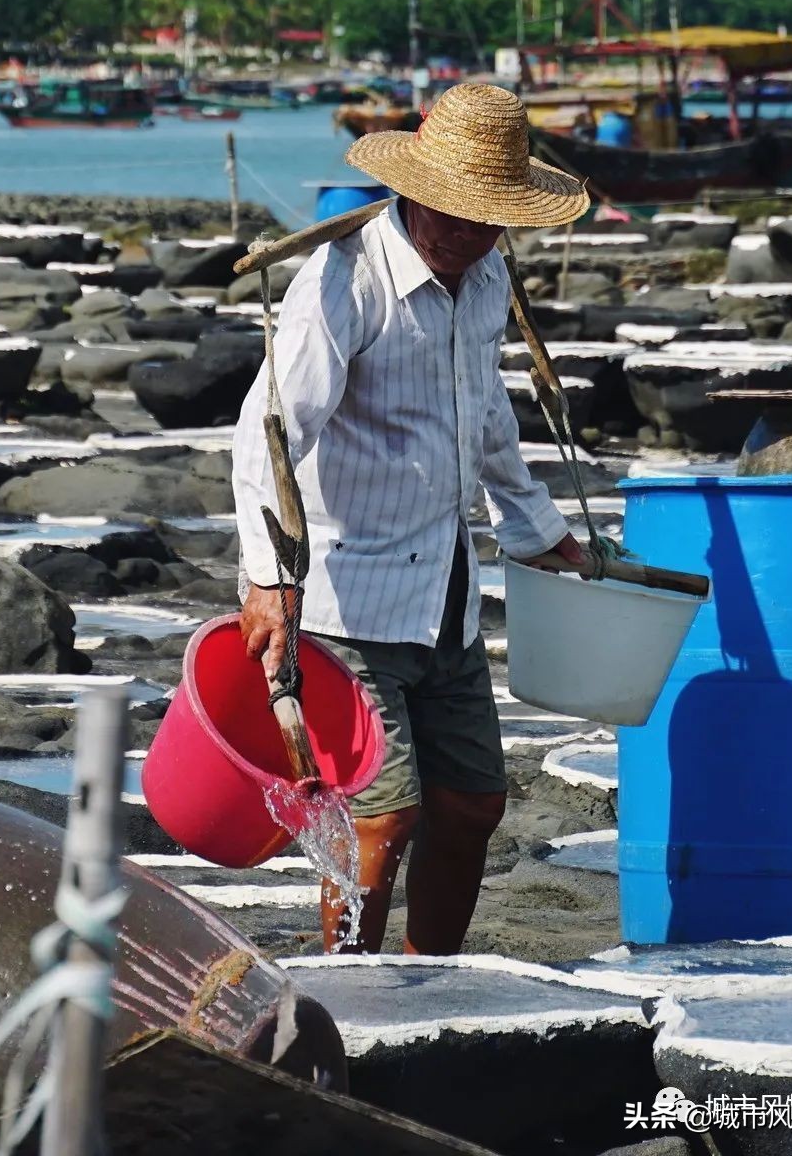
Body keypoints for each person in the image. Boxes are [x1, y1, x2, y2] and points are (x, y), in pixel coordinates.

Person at [233, 81, 592, 955]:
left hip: (444, 592)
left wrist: (541, 532)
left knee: (472, 804)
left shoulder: (487, 273)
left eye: (490, 220)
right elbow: (268, 428)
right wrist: (265, 578)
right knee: (382, 819)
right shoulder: (345, 278)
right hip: (348, 601)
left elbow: (489, 419)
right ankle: (347, 991)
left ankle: (435, 978)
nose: (470, 235)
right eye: (457, 216)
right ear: (417, 194)